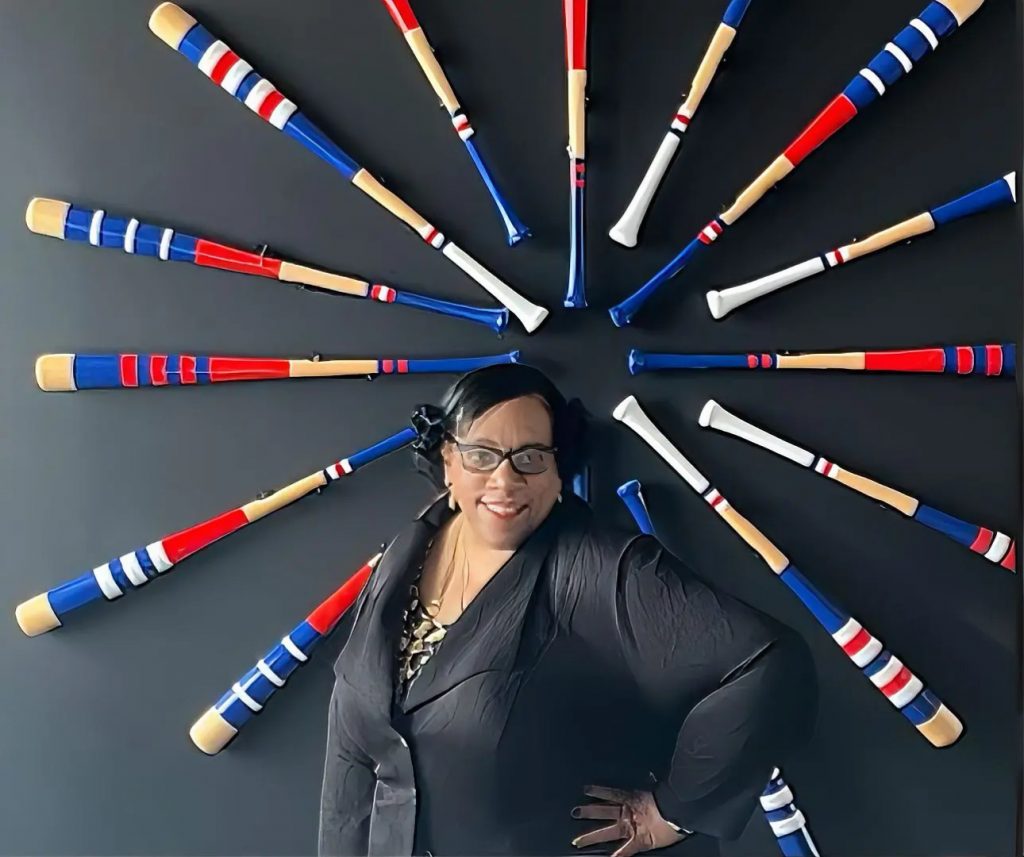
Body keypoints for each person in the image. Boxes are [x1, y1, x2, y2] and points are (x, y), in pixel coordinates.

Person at [318, 364, 817, 856]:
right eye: (481, 455)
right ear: (449, 460)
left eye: (531, 457)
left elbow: (769, 665)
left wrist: (676, 812)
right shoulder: (411, 548)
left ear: (560, 469)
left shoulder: (605, 569)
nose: (504, 479)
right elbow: (352, 740)